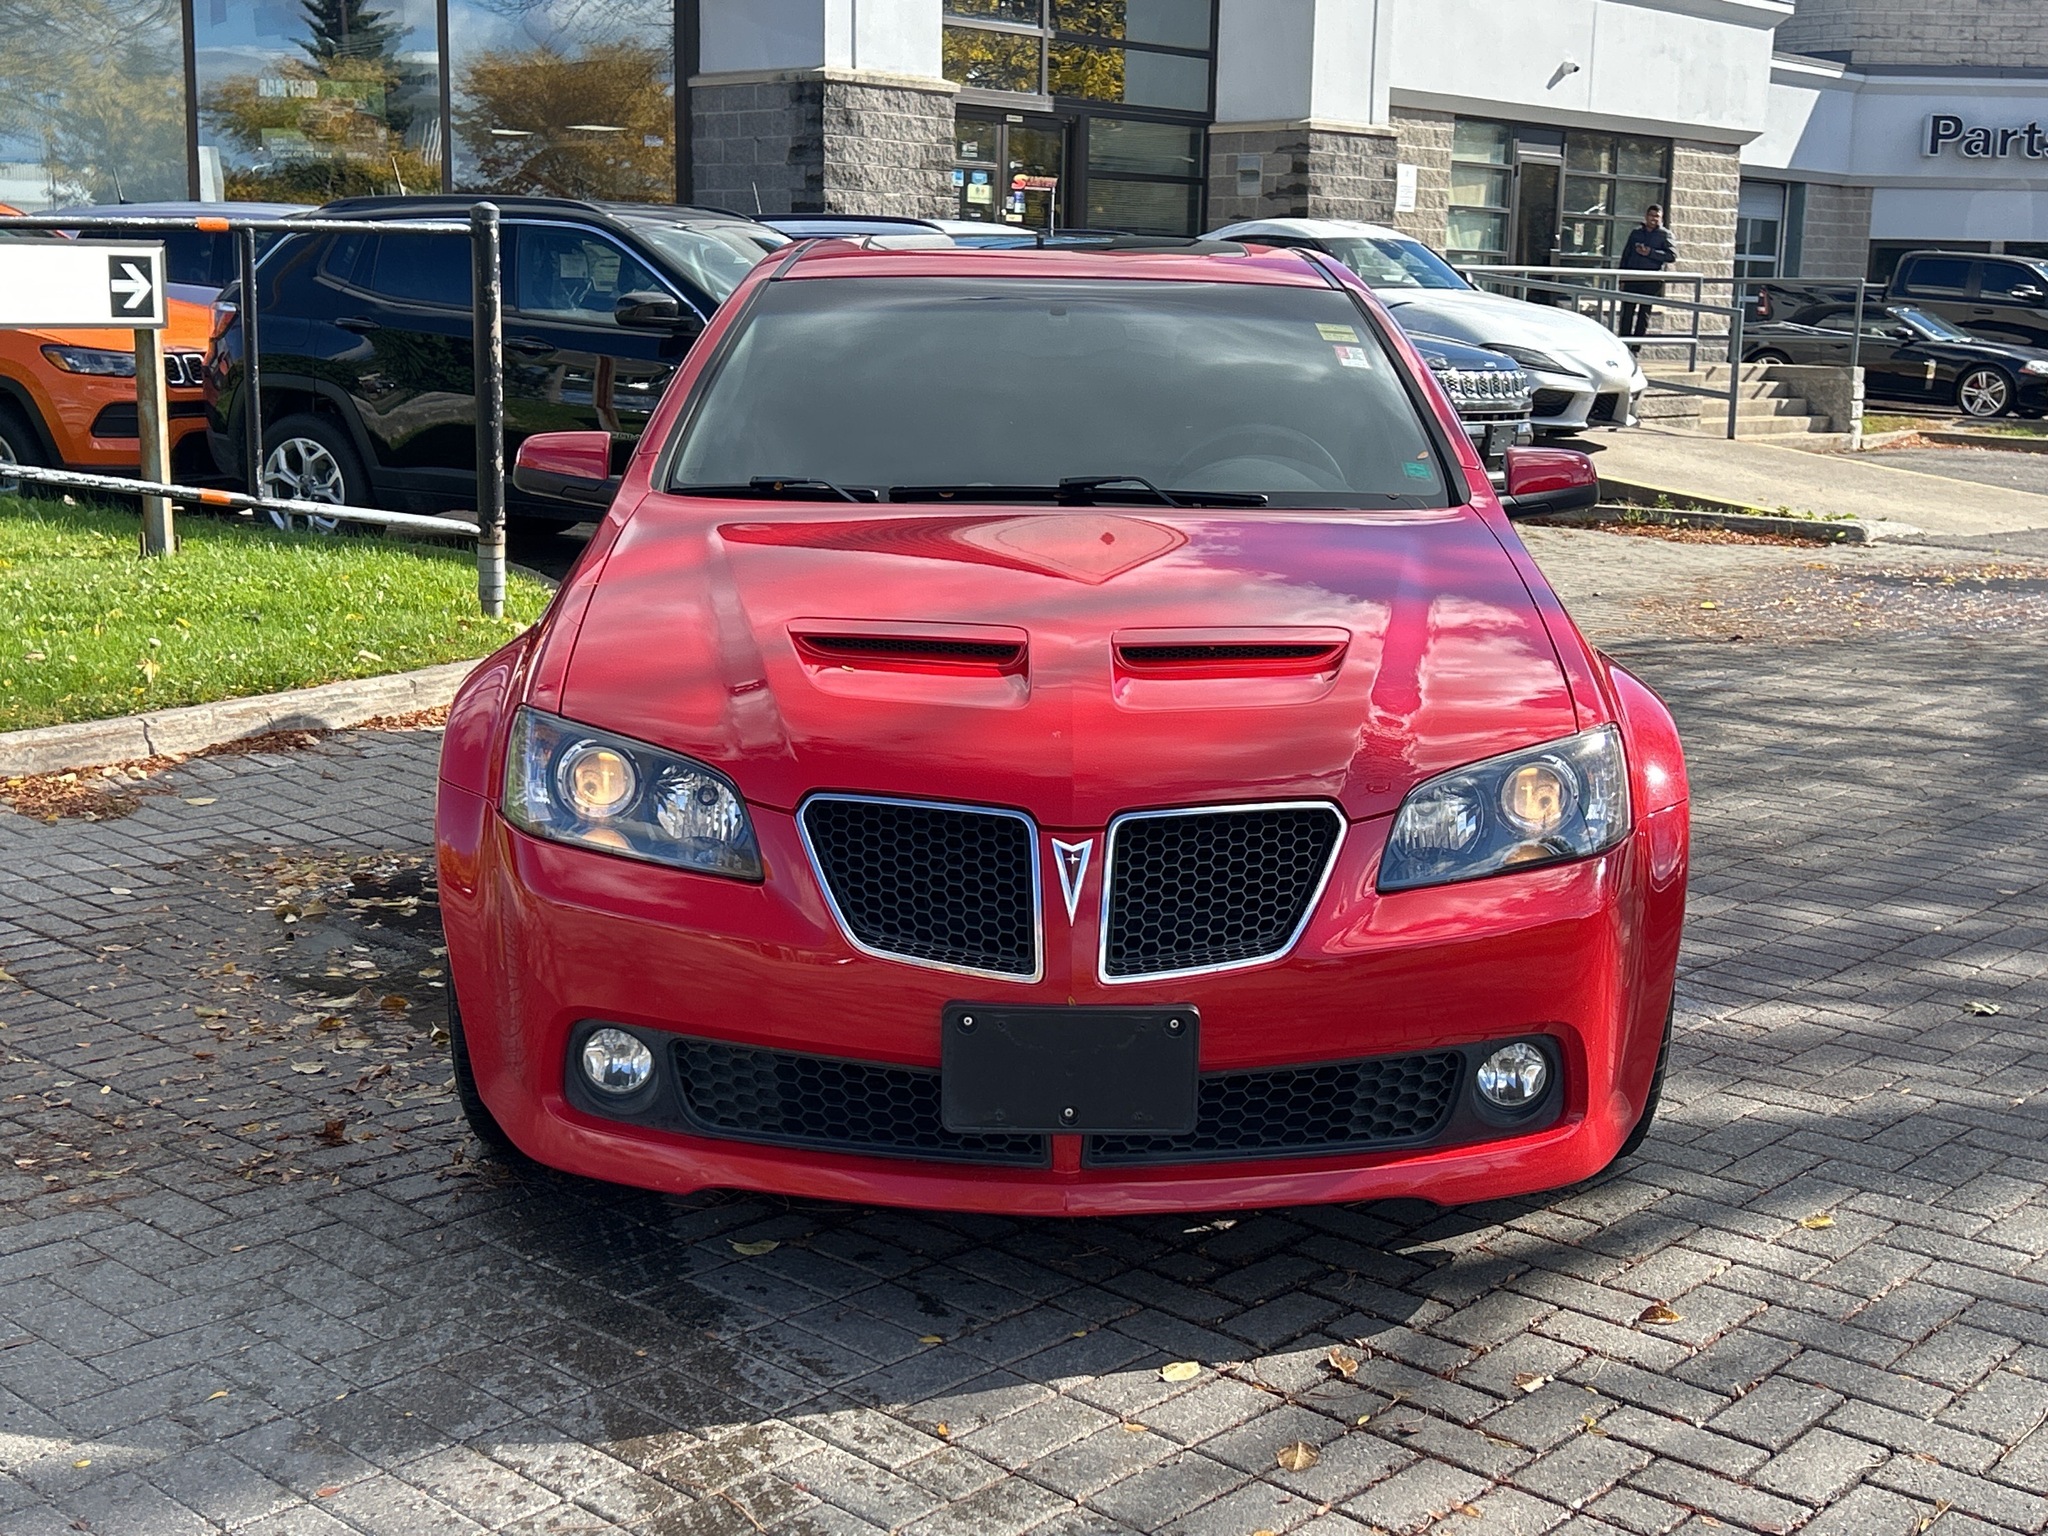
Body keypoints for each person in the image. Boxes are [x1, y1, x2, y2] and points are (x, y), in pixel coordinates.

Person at [1618, 204, 1677, 340]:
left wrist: (1650, 252)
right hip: (1632, 278)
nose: (1653, 219)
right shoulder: (1636, 233)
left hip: (1650, 280)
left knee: (1643, 314)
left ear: (1661, 219)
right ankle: (1624, 342)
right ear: (1646, 216)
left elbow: (1671, 256)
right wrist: (1621, 277)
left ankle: (1636, 347)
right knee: (1627, 312)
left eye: (1657, 216)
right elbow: (1626, 255)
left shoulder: (1665, 235)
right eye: (1651, 215)